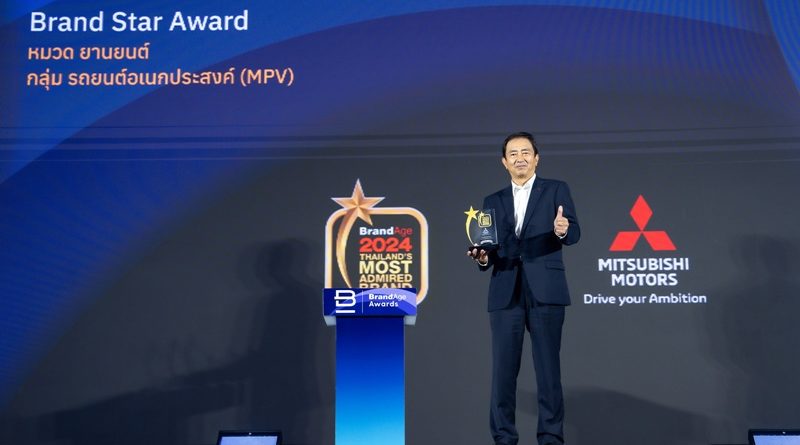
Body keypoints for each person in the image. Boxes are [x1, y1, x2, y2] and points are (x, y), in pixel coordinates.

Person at [467, 131, 580, 445]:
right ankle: (504, 438)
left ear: (536, 158)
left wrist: (563, 229)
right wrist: (482, 256)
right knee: (503, 374)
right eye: (513, 154)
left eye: (526, 152)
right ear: (504, 162)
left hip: (546, 291)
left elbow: (574, 233)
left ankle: (551, 438)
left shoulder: (556, 190)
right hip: (506, 292)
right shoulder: (492, 201)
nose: (520, 158)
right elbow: (488, 248)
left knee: (548, 372)